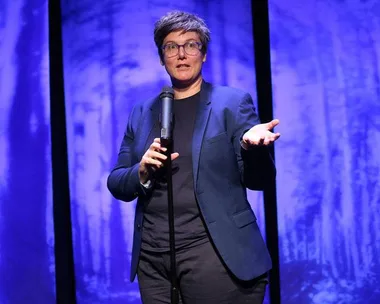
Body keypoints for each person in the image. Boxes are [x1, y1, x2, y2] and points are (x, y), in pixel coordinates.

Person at [107, 10, 280, 304]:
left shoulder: (232, 103)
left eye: (191, 45)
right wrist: (141, 171)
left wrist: (253, 149)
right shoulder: (141, 112)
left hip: (215, 253)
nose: (182, 54)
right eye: (171, 47)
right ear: (162, 58)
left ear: (204, 54)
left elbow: (259, 180)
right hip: (154, 260)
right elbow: (116, 181)